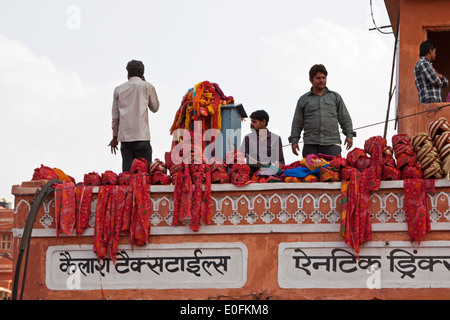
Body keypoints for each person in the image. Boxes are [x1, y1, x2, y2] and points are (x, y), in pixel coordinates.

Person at [289, 64, 356, 158]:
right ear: (311, 80)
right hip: (310, 144)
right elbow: (297, 122)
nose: (321, 80)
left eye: (323, 78)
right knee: (311, 172)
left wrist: (349, 135)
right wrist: (294, 140)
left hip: (332, 144)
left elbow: (344, 117)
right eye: (318, 78)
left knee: (333, 171)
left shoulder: (335, 97)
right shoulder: (303, 100)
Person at [109, 60, 160, 172]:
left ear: (128, 73)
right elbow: (155, 108)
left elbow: (115, 116)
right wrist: (146, 84)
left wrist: (114, 138)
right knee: (143, 178)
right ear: (142, 74)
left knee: (127, 179)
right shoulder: (147, 86)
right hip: (142, 138)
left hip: (125, 140)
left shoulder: (119, 89)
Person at [240, 110, 285, 176]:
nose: (251, 124)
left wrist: (278, 166)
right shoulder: (247, 138)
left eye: (254, 122)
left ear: (263, 122)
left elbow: (281, 161)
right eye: (251, 121)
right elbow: (240, 157)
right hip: (251, 172)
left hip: (268, 172)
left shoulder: (276, 138)